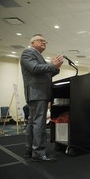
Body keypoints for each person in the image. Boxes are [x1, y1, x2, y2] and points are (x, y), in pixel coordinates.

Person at [20, 34, 63, 162]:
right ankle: (38, 152)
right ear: (32, 43)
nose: (44, 42)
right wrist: (52, 64)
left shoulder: (38, 55)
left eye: (45, 41)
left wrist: (56, 67)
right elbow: (34, 68)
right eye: (41, 40)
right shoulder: (28, 52)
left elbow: (46, 73)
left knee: (32, 122)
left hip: (37, 93)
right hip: (37, 93)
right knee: (39, 123)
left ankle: (30, 149)